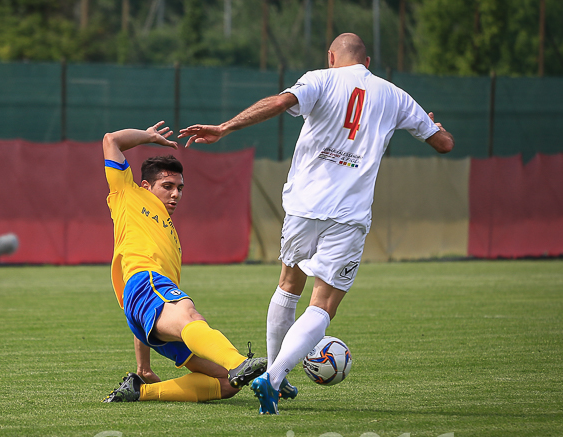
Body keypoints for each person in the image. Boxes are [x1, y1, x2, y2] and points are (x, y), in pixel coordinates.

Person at [179, 33, 455, 415]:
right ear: (368, 62)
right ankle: (274, 377)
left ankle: (277, 379)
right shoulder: (395, 95)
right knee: (323, 306)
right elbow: (444, 143)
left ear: (331, 57)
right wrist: (434, 127)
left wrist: (225, 127)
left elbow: (279, 103)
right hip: (349, 215)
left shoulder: (320, 79)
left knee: (288, 286)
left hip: (304, 206)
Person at [101, 122, 269, 404]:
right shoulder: (128, 194)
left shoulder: (170, 236)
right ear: (146, 186)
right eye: (167, 186)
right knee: (189, 315)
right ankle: (239, 361)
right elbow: (111, 140)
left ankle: (141, 391)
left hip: (143, 305)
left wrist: (143, 368)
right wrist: (148, 137)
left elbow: (154, 308)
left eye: (180, 188)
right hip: (144, 283)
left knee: (227, 383)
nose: (175, 194)